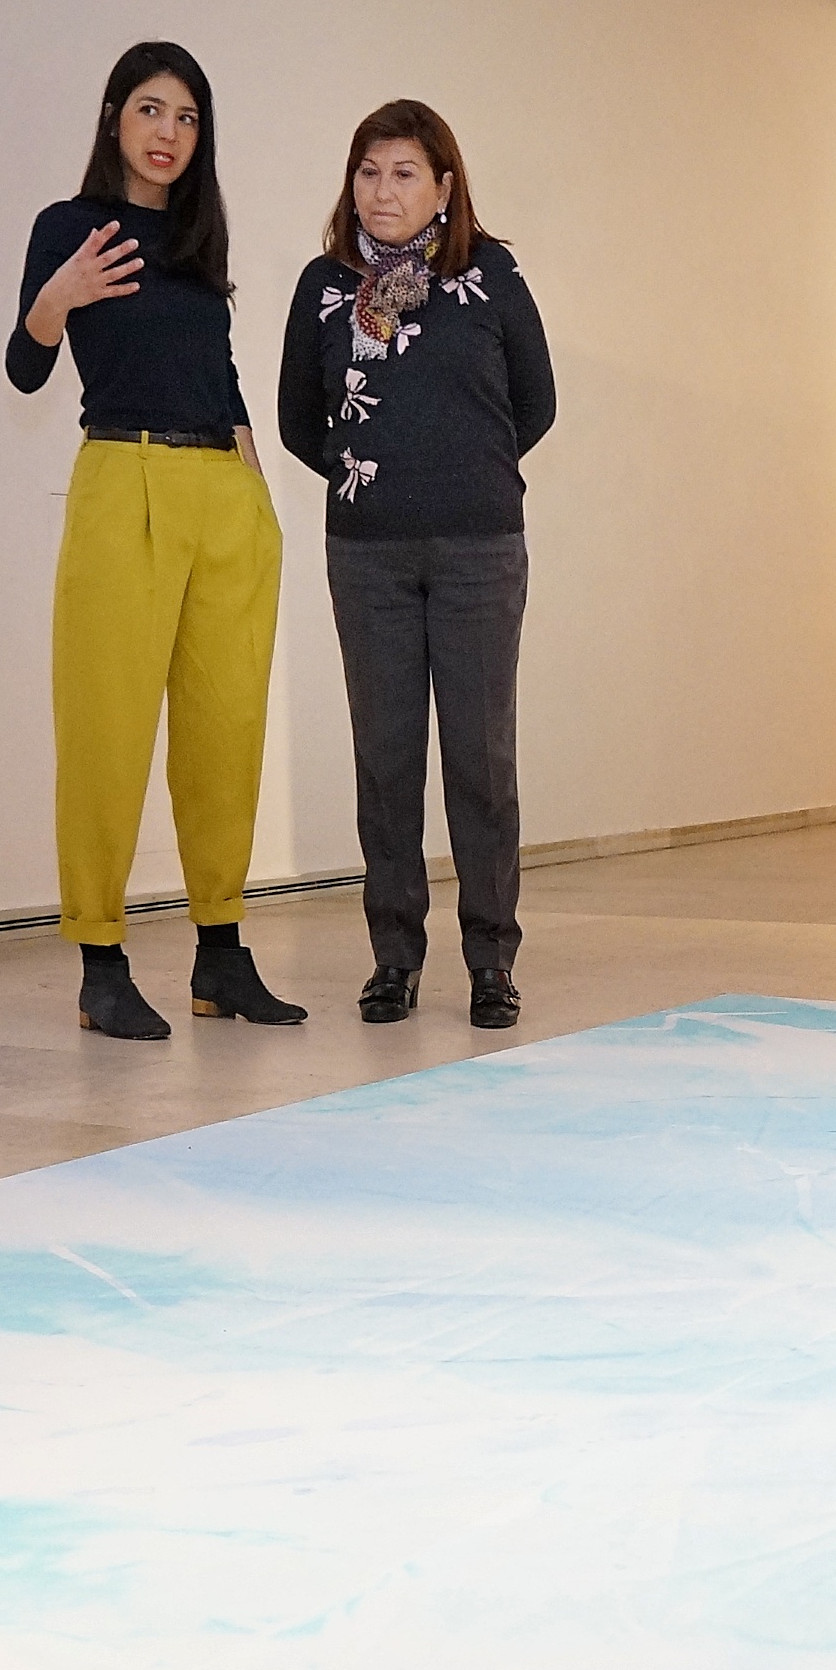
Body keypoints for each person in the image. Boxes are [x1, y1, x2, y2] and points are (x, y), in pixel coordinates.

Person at [9, 41, 303, 1041]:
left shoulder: (194, 238)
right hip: (121, 476)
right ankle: (101, 961)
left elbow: (217, 372)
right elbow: (23, 367)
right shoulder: (69, 227)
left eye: (186, 116)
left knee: (227, 729)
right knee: (106, 728)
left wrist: (254, 494)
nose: (167, 132)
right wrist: (60, 297)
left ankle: (222, 952)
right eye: (149, 109)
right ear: (113, 118)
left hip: (222, 492)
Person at [273, 102, 557, 1031]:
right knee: (386, 761)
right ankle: (393, 957)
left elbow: (536, 402)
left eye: (404, 173)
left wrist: (460, 471)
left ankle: (491, 960)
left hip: (480, 550)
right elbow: (297, 421)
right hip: (367, 556)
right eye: (368, 171)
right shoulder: (324, 288)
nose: (382, 190)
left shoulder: (491, 275)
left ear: (443, 186)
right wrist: (374, 473)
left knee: (481, 759)